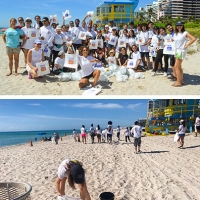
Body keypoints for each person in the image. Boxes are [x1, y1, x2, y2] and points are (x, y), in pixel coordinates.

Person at [172, 21, 196, 87]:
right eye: (178, 25)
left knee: (176, 67)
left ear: (182, 26)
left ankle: (179, 82)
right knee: (179, 66)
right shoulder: (176, 33)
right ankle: (181, 80)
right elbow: (173, 40)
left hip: (181, 51)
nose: (179, 26)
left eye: (180, 25)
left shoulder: (185, 33)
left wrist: (187, 45)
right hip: (176, 50)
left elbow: (193, 39)